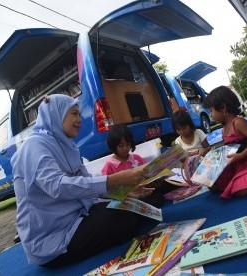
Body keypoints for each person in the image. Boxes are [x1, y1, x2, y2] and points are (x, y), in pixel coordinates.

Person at [10, 94, 152, 267]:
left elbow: (86, 181)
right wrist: (115, 180)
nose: (79, 120)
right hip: (53, 237)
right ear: (56, 114)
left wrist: (122, 190)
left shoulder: (67, 145)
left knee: (129, 204)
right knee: (122, 217)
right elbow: (58, 186)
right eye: (73, 114)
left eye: (79, 114)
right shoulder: (34, 146)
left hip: (78, 215)